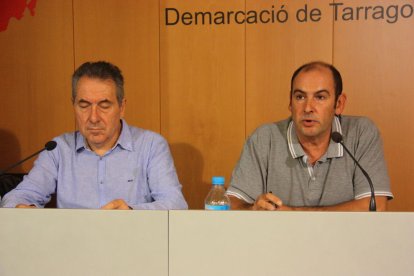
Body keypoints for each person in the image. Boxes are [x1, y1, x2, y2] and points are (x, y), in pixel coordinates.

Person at [1, 61, 187, 210]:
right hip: (71, 249)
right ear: (73, 106)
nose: (93, 117)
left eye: (104, 106)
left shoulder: (150, 145)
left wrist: (131, 211)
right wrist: (23, 208)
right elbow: (15, 197)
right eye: (84, 106)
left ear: (122, 107)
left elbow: (175, 204)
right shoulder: (58, 149)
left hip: (131, 246)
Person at [226, 61, 393, 211]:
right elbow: (232, 203)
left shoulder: (360, 133)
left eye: (320, 97)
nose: (308, 108)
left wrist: (293, 213)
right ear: (290, 103)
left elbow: (375, 206)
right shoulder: (265, 138)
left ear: (339, 104)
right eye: (300, 97)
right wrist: (252, 209)